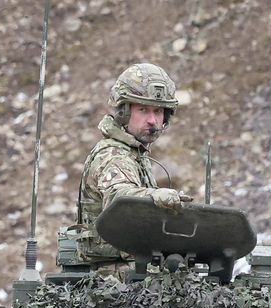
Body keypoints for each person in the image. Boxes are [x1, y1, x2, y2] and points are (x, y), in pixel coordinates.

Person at [74, 63, 192, 269]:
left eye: (158, 111)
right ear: (124, 112)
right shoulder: (112, 155)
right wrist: (155, 197)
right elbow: (120, 199)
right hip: (111, 279)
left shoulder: (135, 153)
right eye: (143, 110)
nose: (153, 120)